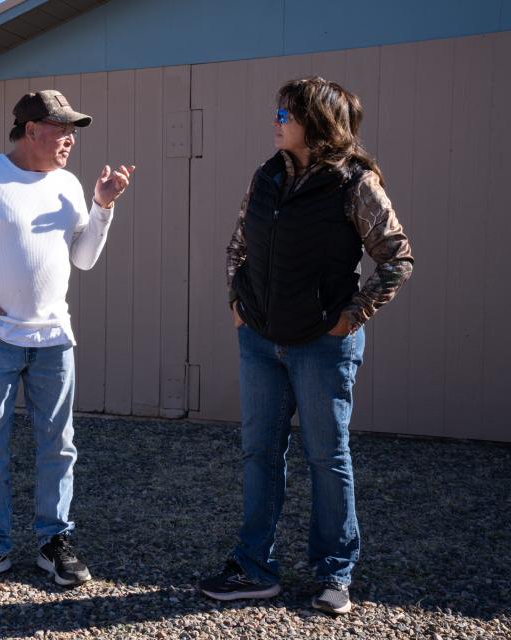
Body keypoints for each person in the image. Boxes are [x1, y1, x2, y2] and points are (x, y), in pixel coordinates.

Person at [199, 77, 413, 614]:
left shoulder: (355, 184)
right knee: (260, 454)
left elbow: (396, 258)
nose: (275, 121)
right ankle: (253, 568)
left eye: (285, 114)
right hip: (260, 341)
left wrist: (351, 317)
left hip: (322, 345)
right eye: (276, 112)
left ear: (316, 123)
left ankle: (334, 574)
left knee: (327, 457)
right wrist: (237, 303)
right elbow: (238, 244)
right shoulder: (266, 175)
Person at [0, 90, 134, 588]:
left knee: (58, 446)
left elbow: (83, 257)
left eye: (74, 131)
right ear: (31, 129)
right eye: (62, 129)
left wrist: (101, 207)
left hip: (54, 339)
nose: (71, 139)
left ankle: (53, 542)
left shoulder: (68, 184)